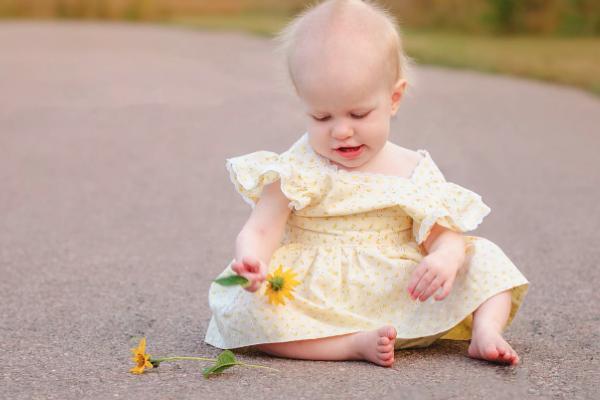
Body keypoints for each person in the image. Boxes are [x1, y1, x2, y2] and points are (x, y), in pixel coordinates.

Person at [204, 0, 529, 366]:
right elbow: (261, 229)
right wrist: (251, 260)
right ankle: (348, 344)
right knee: (248, 310)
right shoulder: (294, 169)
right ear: (304, 102)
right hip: (317, 292)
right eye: (322, 116)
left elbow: (441, 231)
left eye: (359, 113)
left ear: (393, 98)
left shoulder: (411, 168)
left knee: (484, 257)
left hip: (399, 288)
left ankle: (486, 330)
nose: (342, 131)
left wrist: (445, 257)